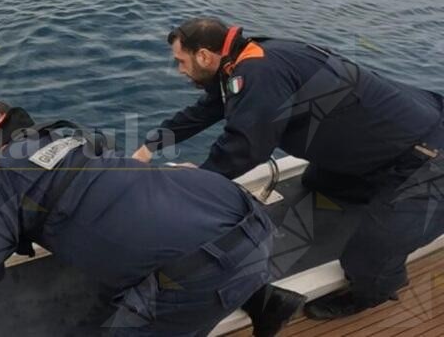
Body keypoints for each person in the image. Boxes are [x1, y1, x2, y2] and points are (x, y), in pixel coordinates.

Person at [0, 101, 305, 336]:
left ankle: (231, 297)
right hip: (247, 218)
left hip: (199, 270)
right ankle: (265, 300)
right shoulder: (74, 137)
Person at [131, 17, 444, 320]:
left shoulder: (259, 74)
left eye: (181, 62)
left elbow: (245, 149)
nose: (180, 70)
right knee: (317, 182)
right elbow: (205, 111)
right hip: (394, 142)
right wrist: (148, 147)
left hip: (429, 156)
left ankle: (374, 291)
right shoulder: (246, 58)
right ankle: (385, 199)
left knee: (367, 261)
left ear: (204, 55)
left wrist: (198, 180)